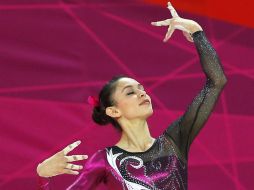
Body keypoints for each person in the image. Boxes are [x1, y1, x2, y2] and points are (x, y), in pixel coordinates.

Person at [36, 2, 227, 190]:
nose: (141, 93)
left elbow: (217, 81)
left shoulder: (175, 140)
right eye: (130, 92)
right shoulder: (105, 161)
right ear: (113, 110)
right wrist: (43, 177)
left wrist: (196, 31)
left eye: (141, 88)